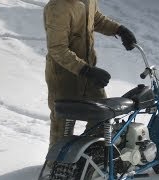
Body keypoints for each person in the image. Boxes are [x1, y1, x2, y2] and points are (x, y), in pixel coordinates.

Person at [43, 0, 137, 149]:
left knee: (102, 114)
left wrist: (119, 29)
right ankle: (55, 165)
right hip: (63, 76)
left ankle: (87, 155)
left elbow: (96, 18)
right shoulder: (58, 7)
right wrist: (85, 70)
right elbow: (57, 49)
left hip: (88, 73)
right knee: (62, 121)